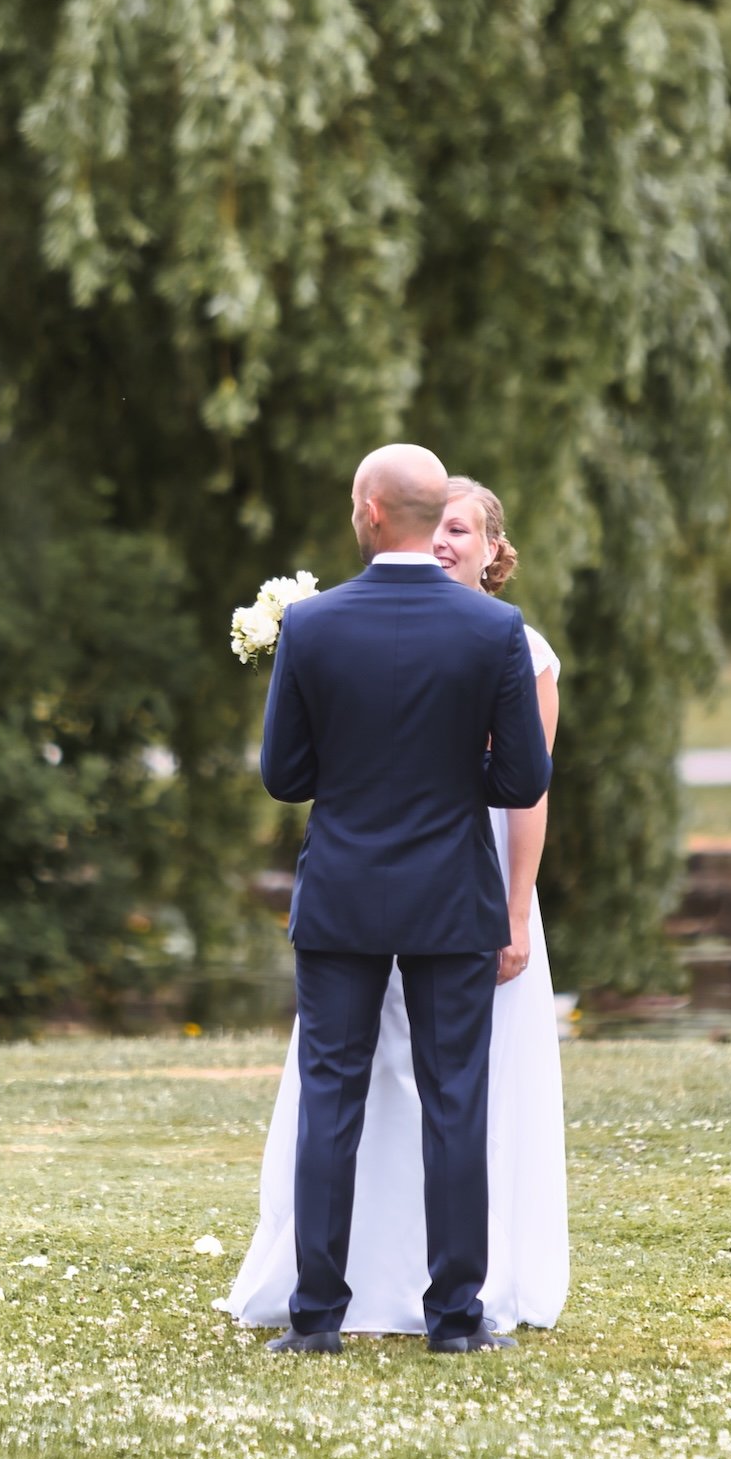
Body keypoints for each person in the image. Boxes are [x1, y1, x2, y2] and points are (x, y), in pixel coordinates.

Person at [227, 471, 569, 1341]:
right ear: (424, 516)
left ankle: (315, 1316)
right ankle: (455, 1315)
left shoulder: (312, 623)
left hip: (342, 891)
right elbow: (522, 778)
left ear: (371, 513)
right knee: (455, 1104)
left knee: (329, 1102)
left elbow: (285, 776)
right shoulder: (494, 630)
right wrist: (452, 773)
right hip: (453, 894)